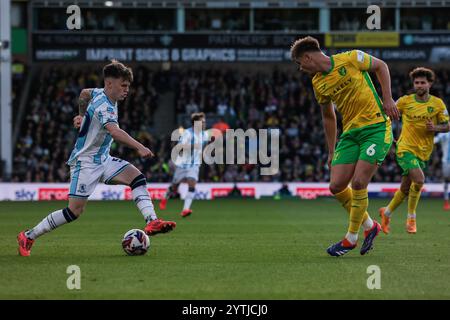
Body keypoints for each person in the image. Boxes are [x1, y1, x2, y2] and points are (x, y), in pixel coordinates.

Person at [17, 60, 176, 257]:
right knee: (74, 212)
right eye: (123, 85)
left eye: (128, 86)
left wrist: (81, 115)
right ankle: (28, 235)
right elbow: (115, 132)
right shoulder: (104, 106)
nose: (127, 90)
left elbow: (84, 92)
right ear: (110, 84)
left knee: (137, 178)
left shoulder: (101, 93)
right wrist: (140, 146)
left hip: (103, 159)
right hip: (85, 163)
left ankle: (152, 220)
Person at [290, 36, 400, 257]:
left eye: (300, 63)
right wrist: (331, 150)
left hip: (376, 127)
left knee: (359, 182)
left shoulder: (350, 58)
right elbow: (328, 117)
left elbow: (381, 66)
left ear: (308, 57)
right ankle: (371, 226)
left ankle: (351, 238)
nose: (301, 69)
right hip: (350, 134)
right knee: (336, 186)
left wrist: (387, 99)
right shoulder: (317, 83)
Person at [380, 68, 450, 232]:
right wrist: (390, 135)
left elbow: (447, 126)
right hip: (405, 148)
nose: (419, 85)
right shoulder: (404, 101)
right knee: (419, 180)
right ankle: (411, 218)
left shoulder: (438, 104)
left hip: (423, 151)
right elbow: (387, 116)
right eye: (416, 82)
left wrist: (435, 127)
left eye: (422, 82)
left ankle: (387, 212)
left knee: (405, 188)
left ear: (430, 84)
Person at [159, 112, 209, 217]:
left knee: (192, 183)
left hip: (195, 164)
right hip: (183, 164)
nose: (204, 124)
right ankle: (165, 198)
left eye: (204, 122)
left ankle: (185, 209)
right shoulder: (187, 133)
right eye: (202, 122)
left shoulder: (205, 135)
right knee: (174, 186)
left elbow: (204, 147)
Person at [434, 131, 450, 210]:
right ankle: (446, 202)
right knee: (446, 180)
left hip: (446, 162)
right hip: (446, 162)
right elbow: (435, 140)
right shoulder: (444, 134)